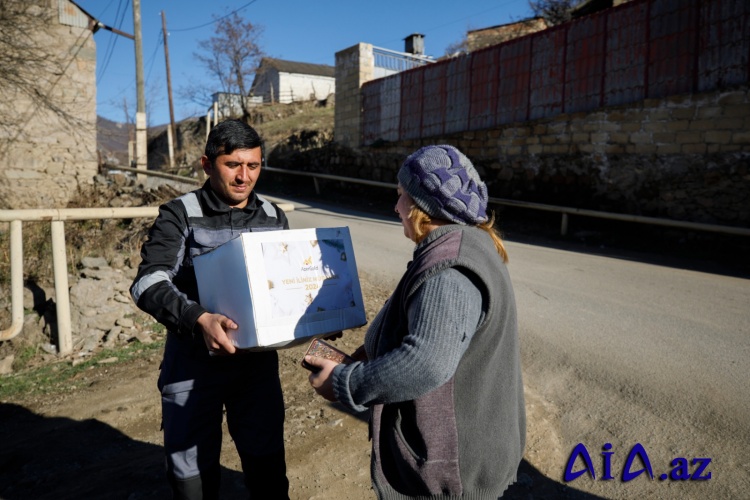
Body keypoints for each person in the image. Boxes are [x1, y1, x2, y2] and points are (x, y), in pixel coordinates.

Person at [306, 144, 526, 499]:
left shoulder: (449, 269)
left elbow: (425, 362)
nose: (396, 207)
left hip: (454, 469)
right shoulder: (465, 243)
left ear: (424, 206)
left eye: (400, 196)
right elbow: (425, 332)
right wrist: (367, 356)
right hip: (466, 447)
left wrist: (348, 383)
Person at [130, 119, 290, 499]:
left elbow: (285, 284)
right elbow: (147, 282)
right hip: (192, 367)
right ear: (206, 164)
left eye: (253, 165)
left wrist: (315, 317)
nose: (244, 176)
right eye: (233, 165)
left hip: (256, 370)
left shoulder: (274, 216)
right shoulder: (179, 213)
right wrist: (199, 319)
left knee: (268, 476)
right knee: (193, 483)